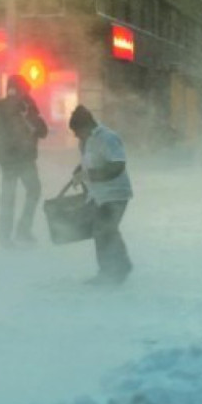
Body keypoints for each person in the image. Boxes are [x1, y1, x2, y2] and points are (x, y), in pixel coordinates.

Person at [68, 105, 133, 285]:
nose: (75, 136)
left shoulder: (108, 138)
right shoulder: (87, 141)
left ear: (87, 126)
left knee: (103, 230)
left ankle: (111, 272)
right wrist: (79, 170)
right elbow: (89, 162)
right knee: (105, 230)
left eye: (76, 131)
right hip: (99, 195)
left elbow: (118, 166)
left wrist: (90, 175)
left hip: (115, 194)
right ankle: (119, 267)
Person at [0, 75, 48, 248]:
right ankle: (23, 229)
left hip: (6, 160)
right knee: (34, 191)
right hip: (24, 158)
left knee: (8, 197)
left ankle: (5, 237)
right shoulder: (26, 107)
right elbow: (42, 131)